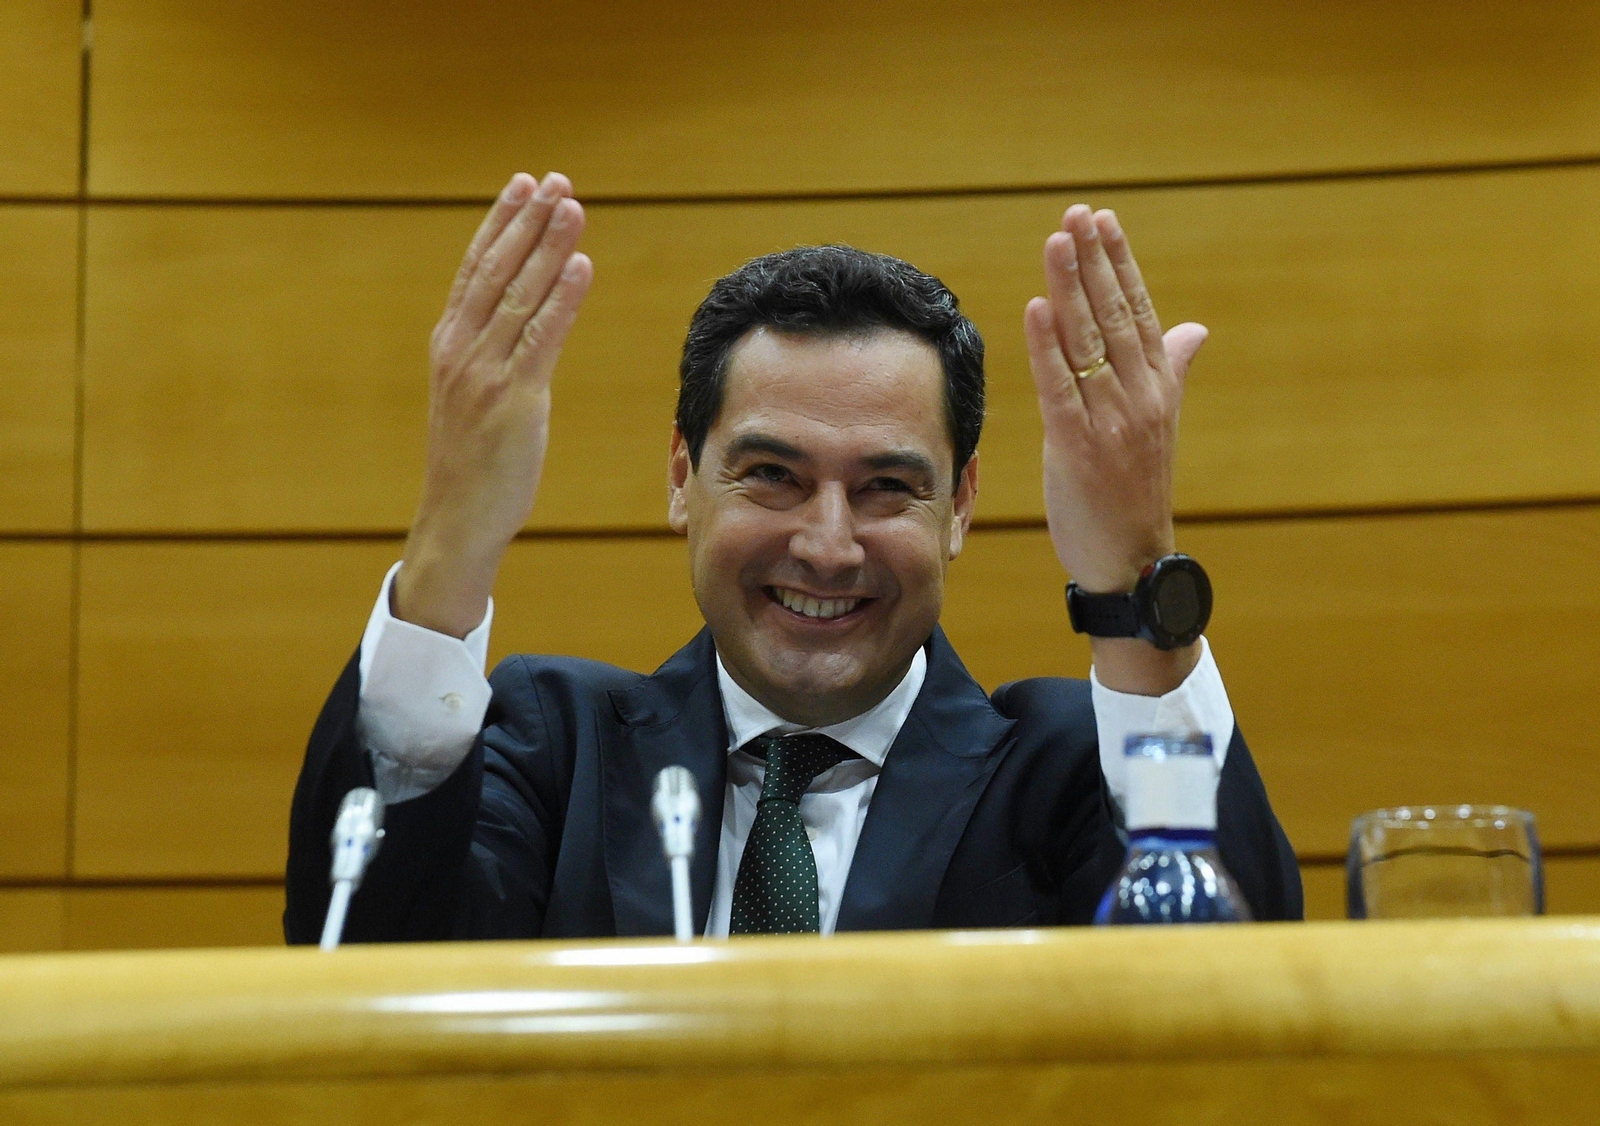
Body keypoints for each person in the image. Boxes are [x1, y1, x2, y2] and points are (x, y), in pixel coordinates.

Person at [285, 171, 1301, 942]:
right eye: (771, 474)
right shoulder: (554, 747)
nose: (826, 543)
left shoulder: (1060, 770)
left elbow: (1242, 997)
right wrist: (453, 543)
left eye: (886, 487)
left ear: (962, 506)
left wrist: (1133, 582)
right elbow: (362, 949)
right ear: (684, 478)